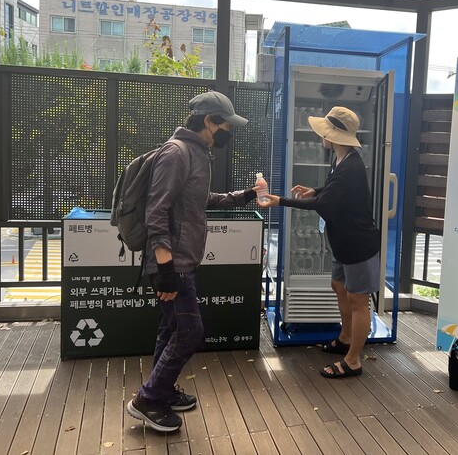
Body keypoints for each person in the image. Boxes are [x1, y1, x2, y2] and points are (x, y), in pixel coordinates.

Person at [127, 91, 259, 432]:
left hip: (183, 260)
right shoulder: (177, 152)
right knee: (190, 331)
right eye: (226, 126)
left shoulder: (198, 153)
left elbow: (202, 199)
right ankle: (147, 399)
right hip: (173, 264)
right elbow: (156, 211)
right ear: (209, 121)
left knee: (171, 328)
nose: (228, 132)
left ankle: (162, 390)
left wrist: (247, 195)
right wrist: (165, 269)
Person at [257, 106, 380, 379]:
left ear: (333, 135)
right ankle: (345, 337)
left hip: (358, 245)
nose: (321, 136)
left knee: (358, 301)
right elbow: (333, 191)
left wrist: (281, 201)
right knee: (338, 286)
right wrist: (315, 189)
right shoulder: (342, 159)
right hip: (343, 241)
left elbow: (325, 205)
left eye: (325, 131)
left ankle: (353, 361)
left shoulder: (350, 166)